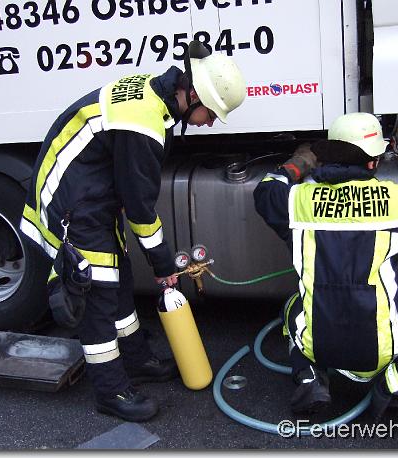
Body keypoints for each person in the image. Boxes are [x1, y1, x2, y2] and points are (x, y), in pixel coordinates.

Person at [20, 41, 246, 422]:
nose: (209, 123)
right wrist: (163, 264)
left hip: (94, 193)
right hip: (73, 202)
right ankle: (111, 391)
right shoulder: (143, 122)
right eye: (210, 113)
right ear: (192, 95)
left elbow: (131, 191)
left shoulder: (156, 98)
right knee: (97, 294)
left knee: (119, 276)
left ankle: (137, 360)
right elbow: (141, 210)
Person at [253, 112, 398, 420]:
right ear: (373, 162)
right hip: (382, 346)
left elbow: (266, 190)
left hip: (319, 344)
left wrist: (299, 163)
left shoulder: (296, 200)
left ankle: (309, 377)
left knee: (292, 308)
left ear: (327, 154)